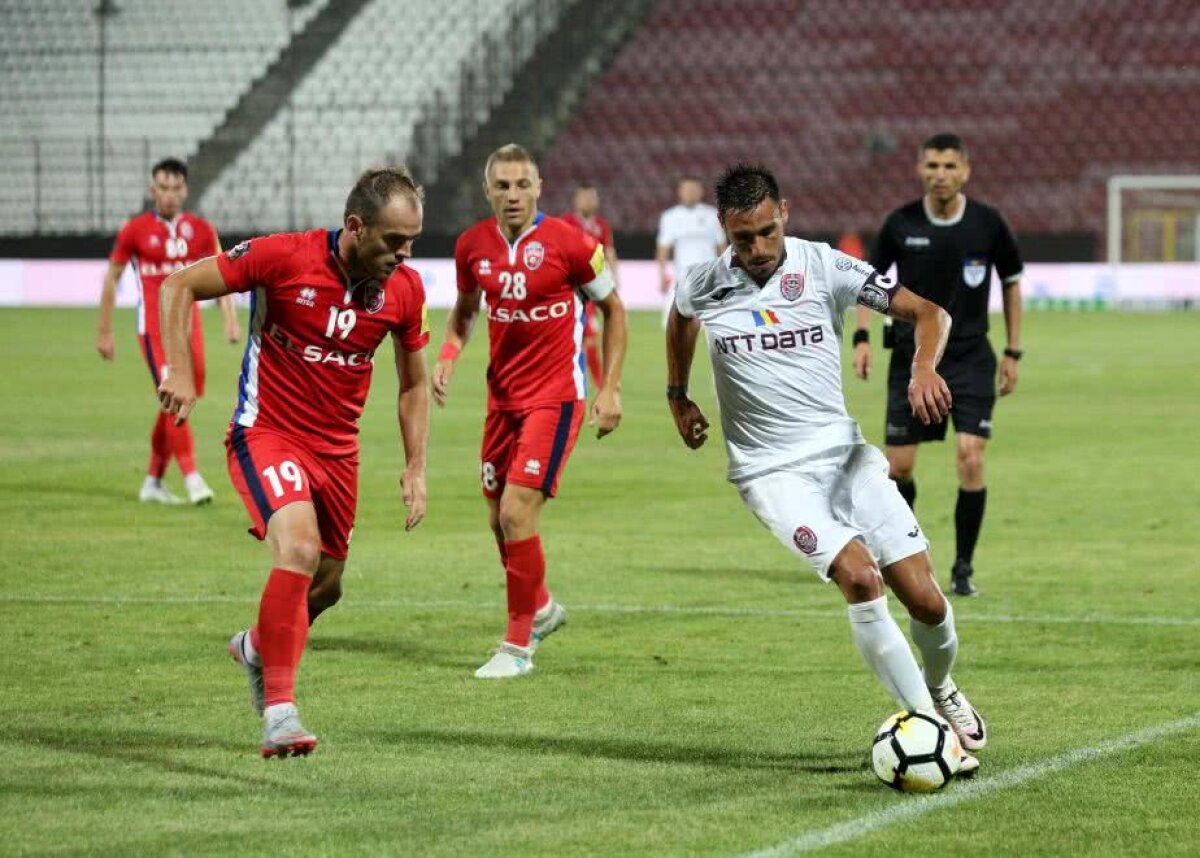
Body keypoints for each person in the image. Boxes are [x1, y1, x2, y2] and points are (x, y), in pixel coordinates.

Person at [666, 163, 987, 767]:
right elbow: (680, 317)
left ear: (783, 212)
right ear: (722, 229)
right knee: (861, 579)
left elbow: (930, 314)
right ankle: (926, 729)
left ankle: (941, 687)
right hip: (771, 474)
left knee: (927, 603)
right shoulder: (703, 282)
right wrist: (677, 393)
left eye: (766, 232)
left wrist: (923, 368)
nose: (758, 249)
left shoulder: (824, 266)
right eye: (743, 238)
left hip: (845, 456)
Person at [157, 168, 431, 757]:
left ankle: (256, 647)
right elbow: (177, 286)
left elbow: (413, 384)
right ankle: (280, 713)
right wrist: (177, 368)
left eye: (412, 241)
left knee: (327, 587)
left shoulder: (406, 290)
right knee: (300, 551)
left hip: (339, 451)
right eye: (393, 241)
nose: (405, 254)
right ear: (355, 226)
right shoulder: (283, 257)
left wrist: (416, 466)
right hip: (268, 432)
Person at [433, 144, 627, 679]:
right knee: (498, 516)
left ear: (539, 187)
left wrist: (609, 388)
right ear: (488, 191)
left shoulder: (571, 244)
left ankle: (517, 647)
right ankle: (541, 607)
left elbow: (613, 310)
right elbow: (465, 312)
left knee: (517, 512)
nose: (513, 195)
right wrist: (449, 356)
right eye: (503, 186)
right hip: (502, 402)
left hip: (556, 396)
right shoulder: (472, 246)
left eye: (523, 185)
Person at [853, 133, 1024, 597]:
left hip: (969, 356)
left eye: (950, 166)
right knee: (899, 468)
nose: (941, 174)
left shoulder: (987, 224)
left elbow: (1011, 282)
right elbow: (868, 281)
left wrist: (1013, 350)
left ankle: (963, 567)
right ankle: (906, 554)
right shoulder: (900, 222)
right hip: (912, 357)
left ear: (965, 170)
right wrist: (863, 336)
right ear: (919, 168)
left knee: (971, 458)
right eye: (932, 165)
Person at [97, 157, 240, 505]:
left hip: (190, 328)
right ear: (152, 190)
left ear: (185, 190)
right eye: (163, 188)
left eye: (176, 188)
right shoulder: (134, 231)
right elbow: (112, 278)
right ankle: (192, 477)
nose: (170, 195)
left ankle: (152, 480)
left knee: (185, 396)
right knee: (175, 395)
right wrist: (105, 330)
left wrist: (229, 319)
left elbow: (224, 274)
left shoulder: (202, 230)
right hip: (154, 328)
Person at [561, 182, 620, 388]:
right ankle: (594, 383)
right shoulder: (565, 223)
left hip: (592, 288)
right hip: (570, 289)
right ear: (576, 201)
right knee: (575, 340)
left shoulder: (602, 225)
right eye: (585, 197)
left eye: (592, 198)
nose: (589, 201)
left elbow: (609, 252)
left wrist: (615, 278)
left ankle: (595, 383)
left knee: (589, 337)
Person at [655, 175, 725, 328]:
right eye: (687, 190)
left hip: (709, 279)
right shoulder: (670, 216)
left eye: (694, 189)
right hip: (681, 279)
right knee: (672, 326)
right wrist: (662, 274)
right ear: (680, 192)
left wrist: (725, 273)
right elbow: (663, 248)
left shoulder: (713, 215)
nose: (690, 193)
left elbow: (721, 246)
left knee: (715, 327)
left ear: (701, 192)